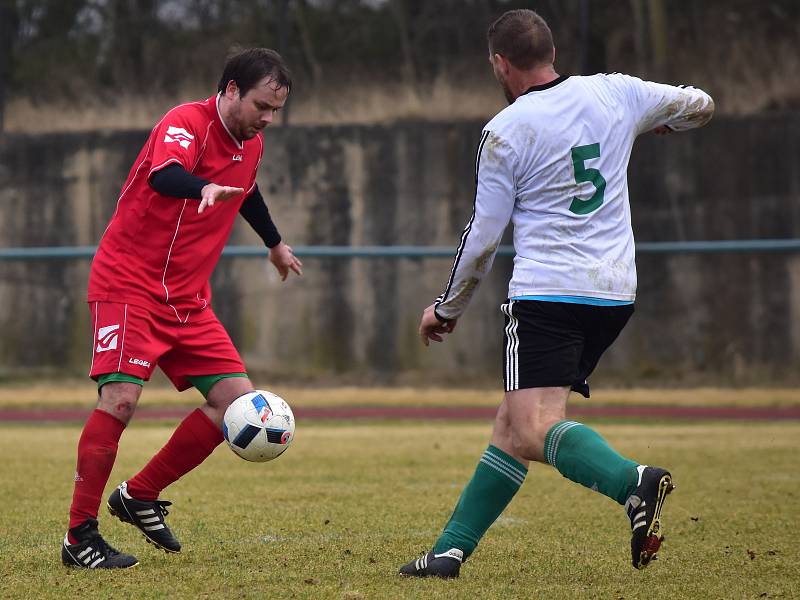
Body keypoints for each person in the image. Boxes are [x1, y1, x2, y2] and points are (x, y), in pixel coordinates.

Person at [399, 9, 714, 579]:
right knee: (512, 425)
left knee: (532, 427)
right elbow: (701, 104)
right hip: (615, 294)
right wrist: (661, 124)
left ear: (500, 62)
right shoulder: (616, 93)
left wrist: (446, 309)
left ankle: (631, 483)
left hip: (548, 295)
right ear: (552, 51)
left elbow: (484, 237)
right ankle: (449, 552)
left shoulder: (506, 131)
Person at [61, 48, 303, 569]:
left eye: (276, 111)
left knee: (236, 404)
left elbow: (248, 192)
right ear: (232, 89)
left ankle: (139, 495)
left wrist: (275, 243)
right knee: (121, 401)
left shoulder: (251, 143)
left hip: (187, 299)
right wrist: (205, 186)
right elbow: (163, 175)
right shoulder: (185, 122)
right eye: (262, 105)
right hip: (128, 283)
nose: (266, 119)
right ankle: (79, 535)